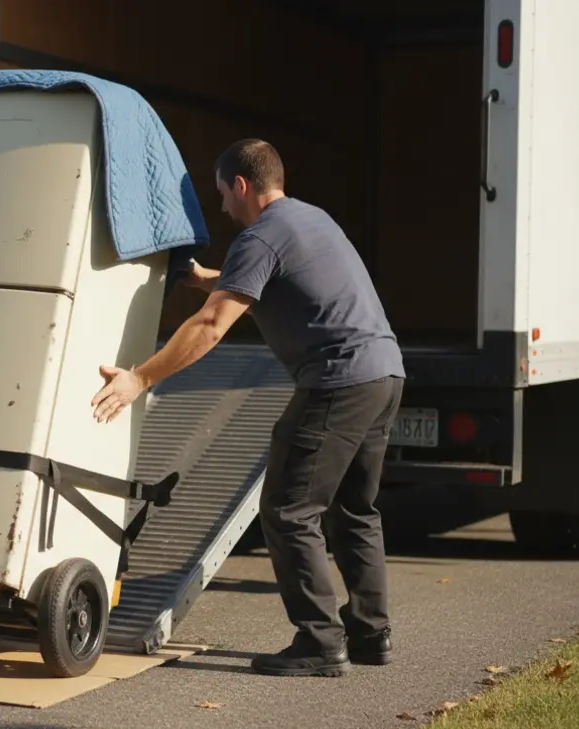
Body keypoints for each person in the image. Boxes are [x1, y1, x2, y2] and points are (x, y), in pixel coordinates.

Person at [90, 139, 405, 677]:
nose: (221, 208)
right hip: (384, 373)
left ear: (241, 185)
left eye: (221, 194)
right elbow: (264, 280)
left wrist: (139, 378)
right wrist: (203, 278)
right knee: (354, 510)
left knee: (287, 509)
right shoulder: (308, 220)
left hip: (338, 380)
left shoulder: (259, 236)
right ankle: (370, 634)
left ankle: (320, 643)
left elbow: (212, 326)